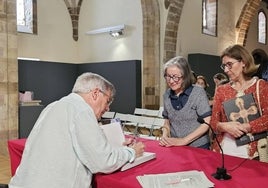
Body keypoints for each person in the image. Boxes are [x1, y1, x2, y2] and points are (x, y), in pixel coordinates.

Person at [9, 72, 145, 188]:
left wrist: (113, 147)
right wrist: (131, 152)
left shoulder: (54, 105)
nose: (108, 108)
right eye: (108, 101)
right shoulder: (82, 110)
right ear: (96, 93)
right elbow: (103, 162)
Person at [210, 44, 268, 160]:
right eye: (224, 66)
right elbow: (213, 122)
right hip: (224, 150)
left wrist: (247, 126)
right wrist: (224, 126)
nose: (226, 70)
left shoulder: (260, 86)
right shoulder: (222, 90)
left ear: (243, 62)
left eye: (229, 65)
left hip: (252, 154)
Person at [159, 56, 212, 149]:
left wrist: (183, 141)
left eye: (175, 77)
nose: (171, 81)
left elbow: (206, 123)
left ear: (185, 76)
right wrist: (164, 135)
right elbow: (167, 121)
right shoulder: (166, 95)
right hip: (175, 145)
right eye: (168, 76)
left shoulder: (198, 93)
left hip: (198, 147)